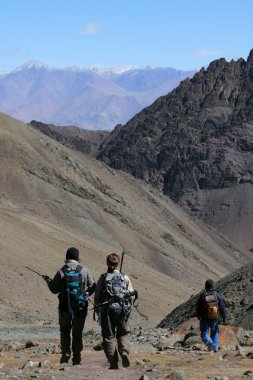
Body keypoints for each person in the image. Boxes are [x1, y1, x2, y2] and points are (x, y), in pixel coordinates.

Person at [43, 247, 96, 365]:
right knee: (77, 332)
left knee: (65, 330)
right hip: (80, 307)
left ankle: (66, 353)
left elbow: (54, 289)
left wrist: (47, 281)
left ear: (67, 257)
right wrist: (86, 297)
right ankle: (77, 357)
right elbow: (93, 286)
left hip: (64, 307)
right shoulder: (84, 270)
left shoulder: (61, 271)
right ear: (77, 257)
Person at [94, 253, 135, 370]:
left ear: (107, 263)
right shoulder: (125, 277)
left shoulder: (103, 277)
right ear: (117, 264)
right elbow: (131, 294)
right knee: (123, 333)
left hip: (107, 311)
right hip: (123, 310)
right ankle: (124, 352)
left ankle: (113, 363)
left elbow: (97, 297)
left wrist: (98, 310)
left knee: (108, 336)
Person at [196, 279, 227, 352]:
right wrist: (224, 317)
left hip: (204, 318)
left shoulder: (203, 295)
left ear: (205, 286)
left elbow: (198, 307)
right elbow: (222, 307)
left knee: (204, 333)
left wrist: (199, 315)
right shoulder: (217, 295)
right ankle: (213, 348)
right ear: (213, 286)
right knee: (215, 332)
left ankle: (209, 343)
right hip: (214, 318)